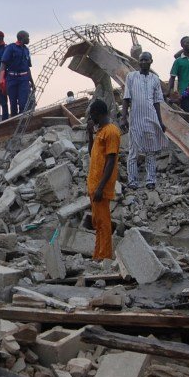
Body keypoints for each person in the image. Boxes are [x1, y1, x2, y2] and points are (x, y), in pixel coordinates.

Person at [122, 52, 166, 190]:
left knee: (151, 151)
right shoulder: (131, 77)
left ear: (151, 61)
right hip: (135, 119)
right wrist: (123, 117)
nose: (143, 62)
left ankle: (150, 179)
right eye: (141, 60)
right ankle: (132, 180)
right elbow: (126, 98)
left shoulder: (155, 79)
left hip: (151, 119)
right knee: (133, 150)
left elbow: (157, 102)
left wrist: (160, 121)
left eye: (146, 60)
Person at [86, 99, 121, 261]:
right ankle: (97, 255)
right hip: (93, 186)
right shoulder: (100, 132)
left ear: (99, 114)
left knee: (104, 222)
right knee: (97, 222)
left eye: (92, 115)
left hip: (100, 186)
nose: (91, 119)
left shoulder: (111, 131)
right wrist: (89, 133)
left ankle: (105, 256)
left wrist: (101, 187)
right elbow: (91, 153)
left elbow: (111, 160)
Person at [0, 30, 35, 116]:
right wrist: (1, 79)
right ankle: (14, 125)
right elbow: (3, 64)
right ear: (22, 37)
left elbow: (28, 68)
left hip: (24, 80)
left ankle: (22, 123)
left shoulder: (27, 50)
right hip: (12, 79)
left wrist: (32, 82)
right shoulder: (11, 48)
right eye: (28, 37)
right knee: (13, 105)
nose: (29, 39)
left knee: (23, 103)